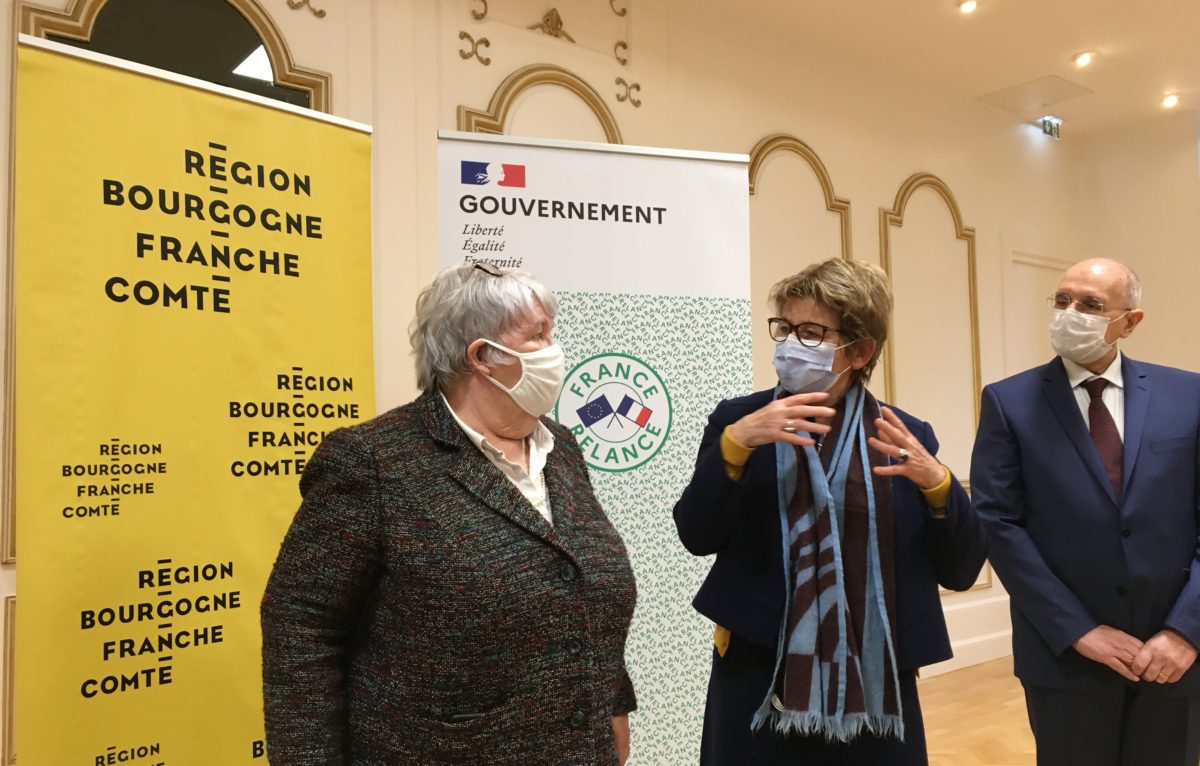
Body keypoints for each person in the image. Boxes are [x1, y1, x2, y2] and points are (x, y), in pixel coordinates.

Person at [260, 262, 637, 765]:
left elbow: (578, 585)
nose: (555, 348)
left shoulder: (560, 448)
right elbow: (301, 630)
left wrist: (613, 707)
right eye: (538, 334)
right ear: (483, 357)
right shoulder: (373, 461)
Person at [673, 257, 986, 765]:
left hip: (875, 677)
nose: (792, 343)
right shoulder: (737, 420)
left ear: (860, 350)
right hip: (759, 671)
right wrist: (736, 444)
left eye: (812, 332)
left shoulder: (905, 435)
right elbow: (696, 534)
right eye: (786, 328)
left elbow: (961, 569)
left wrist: (939, 485)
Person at [971, 258, 1200, 765]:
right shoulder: (1009, 402)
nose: (1070, 313)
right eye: (1062, 301)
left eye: (1091, 304)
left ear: (1130, 321)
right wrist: (1077, 630)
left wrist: (1186, 630)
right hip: (1066, 657)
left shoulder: (1189, 396)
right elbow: (998, 525)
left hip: (1175, 658)